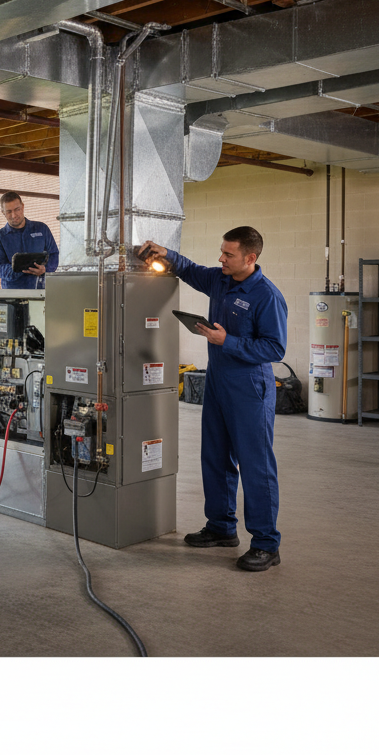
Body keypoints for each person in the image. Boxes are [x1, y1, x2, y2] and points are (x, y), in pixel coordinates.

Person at [139, 226, 288, 572]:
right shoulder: (220, 279)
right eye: (221, 252)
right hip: (218, 380)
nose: (221, 258)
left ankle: (267, 544)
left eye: (229, 254)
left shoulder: (267, 295)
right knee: (215, 456)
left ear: (250, 258)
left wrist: (229, 342)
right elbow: (190, 270)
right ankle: (221, 527)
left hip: (250, 386)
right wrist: (167, 255)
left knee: (256, 466)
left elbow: (275, 348)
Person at [0, 191, 60, 289]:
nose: (14, 215)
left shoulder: (42, 229)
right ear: (3, 212)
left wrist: (45, 269)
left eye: (17, 209)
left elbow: (54, 254)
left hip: (40, 290)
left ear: (22, 207)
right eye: (9, 212)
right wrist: (17, 269)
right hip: (13, 294)